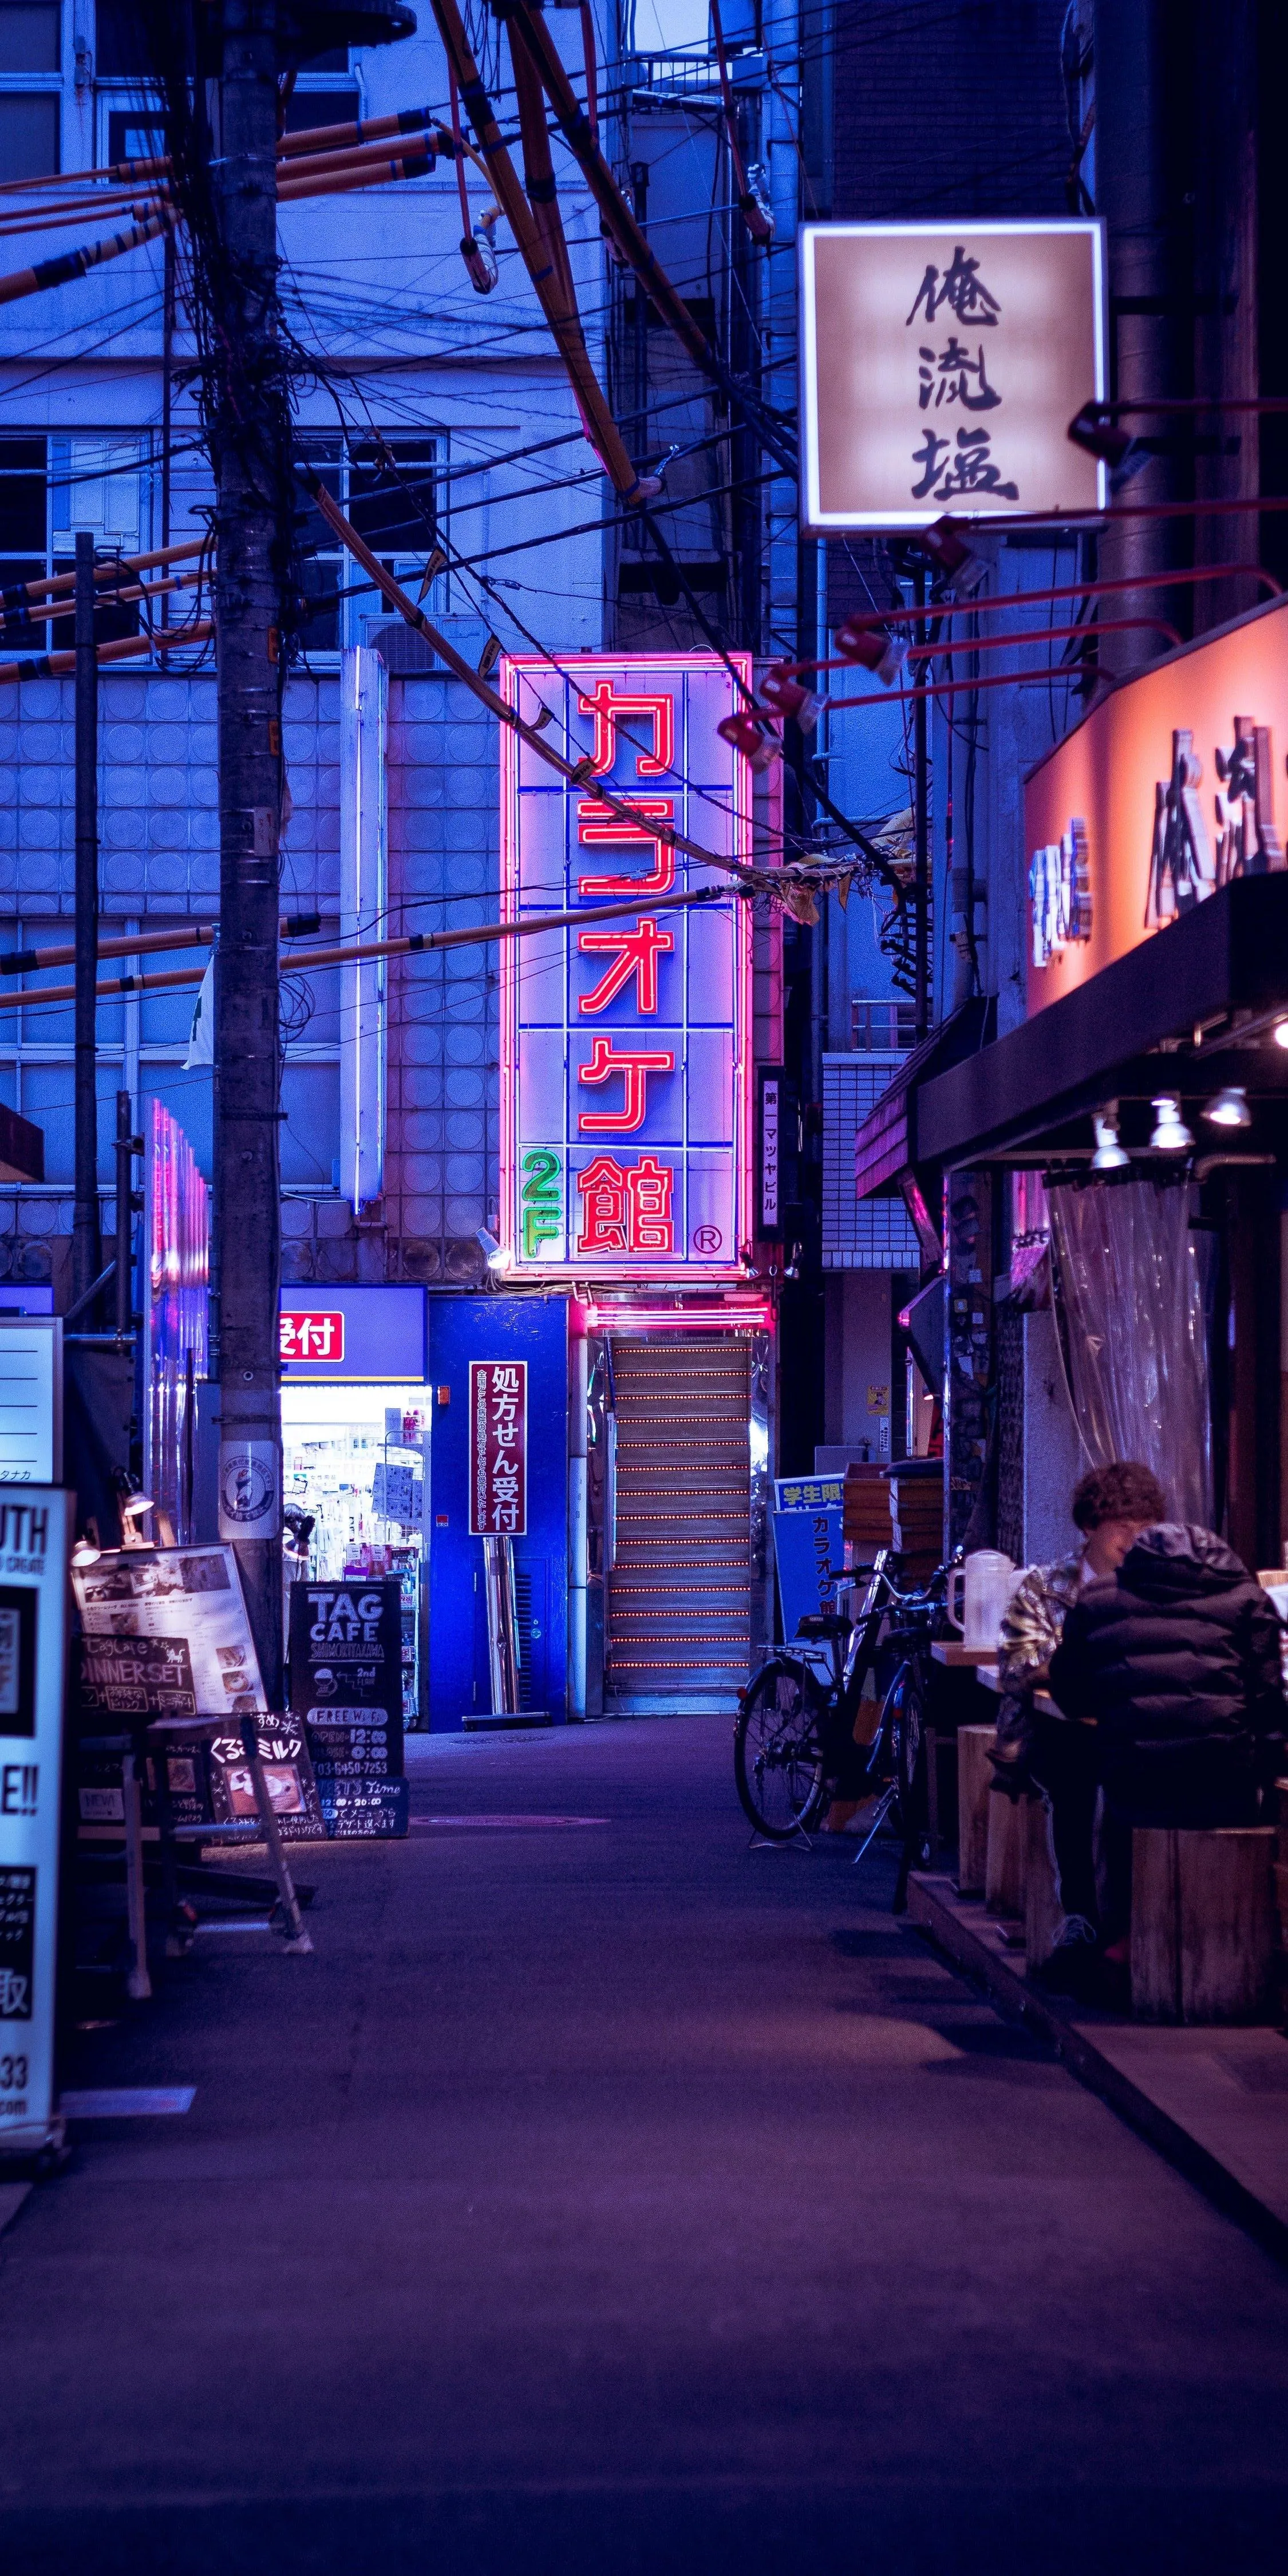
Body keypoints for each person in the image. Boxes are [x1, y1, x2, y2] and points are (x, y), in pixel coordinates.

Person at [1048, 1521, 1286, 1965]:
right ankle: (1241, 1953)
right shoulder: (1249, 1600)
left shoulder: (1099, 1599)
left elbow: (1070, 1692)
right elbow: (1268, 1701)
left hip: (1135, 1785)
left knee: (1087, 1781)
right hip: (1226, 1784)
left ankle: (1116, 1940)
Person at [991, 1460, 1167, 1994]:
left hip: (1138, 1729)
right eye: (1122, 1529)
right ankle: (1082, 1918)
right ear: (1090, 1526)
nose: (1133, 1542)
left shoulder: (1162, 1586)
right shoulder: (1046, 1587)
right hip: (1052, 1731)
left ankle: (1133, 1928)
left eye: (1146, 1530)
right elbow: (1020, 1665)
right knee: (1075, 1772)